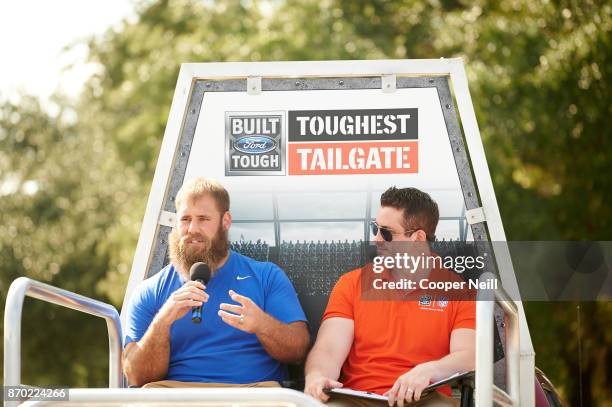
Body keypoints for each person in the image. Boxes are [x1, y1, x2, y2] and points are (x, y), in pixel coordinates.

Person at [123, 177, 310, 387]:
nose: (192, 228)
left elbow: (298, 351)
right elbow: (136, 377)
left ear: (225, 221)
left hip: (253, 395)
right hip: (176, 395)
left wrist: (261, 324)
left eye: (203, 218)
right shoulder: (151, 290)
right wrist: (163, 322)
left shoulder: (266, 276)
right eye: (185, 219)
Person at [304, 187, 475, 406]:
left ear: (418, 237)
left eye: (386, 232)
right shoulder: (352, 283)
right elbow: (328, 349)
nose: (376, 239)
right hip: (356, 398)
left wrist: (430, 370)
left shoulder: (456, 290)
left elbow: (468, 355)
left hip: (423, 398)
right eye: (375, 229)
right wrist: (317, 376)